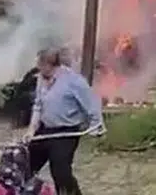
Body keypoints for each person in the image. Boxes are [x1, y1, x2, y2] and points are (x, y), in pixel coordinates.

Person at [25, 47, 104, 195]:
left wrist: (96, 124)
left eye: (40, 65)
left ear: (50, 65)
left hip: (66, 132)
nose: (38, 69)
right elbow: (38, 105)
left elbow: (92, 102)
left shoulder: (73, 81)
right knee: (27, 165)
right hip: (45, 129)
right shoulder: (41, 79)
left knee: (60, 171)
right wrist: (31, 129)